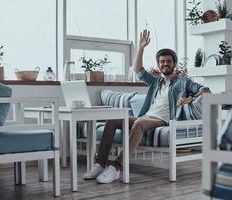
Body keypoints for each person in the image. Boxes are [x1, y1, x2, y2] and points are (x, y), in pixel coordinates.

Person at [83, 29, 210, 184]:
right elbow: (138, 70)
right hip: (145, 116)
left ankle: (117, 168)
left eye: (168, 61)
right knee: (112, 121)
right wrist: (141, 47)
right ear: (158, 64)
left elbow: (206, 90)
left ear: (174, 64)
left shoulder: (184, 81)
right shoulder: (156, 82)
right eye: (162, 61)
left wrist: (190, 98)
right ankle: (100, 164)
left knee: (139, 123)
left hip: (162, 119)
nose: (165, 64)